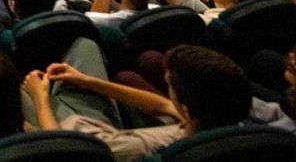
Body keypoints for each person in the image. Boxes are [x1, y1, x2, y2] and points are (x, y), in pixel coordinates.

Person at [22, 43, 256, 160]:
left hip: (70, 139)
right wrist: (87, 81)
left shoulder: (146, 151)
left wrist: (39, 97)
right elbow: (163, 105)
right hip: (95, 126)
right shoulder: (227, 124)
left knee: (17, 84)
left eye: (169, 85)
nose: (166, 91)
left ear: (186, 109)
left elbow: (62, 153)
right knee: (85, 45)